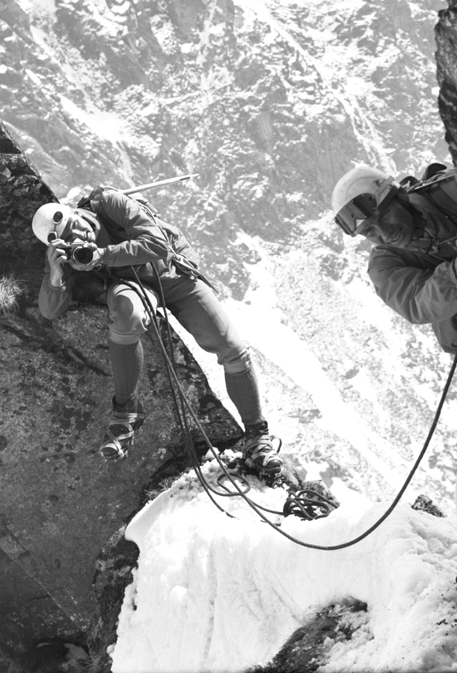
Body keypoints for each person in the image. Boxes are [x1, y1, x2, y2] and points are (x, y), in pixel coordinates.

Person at [331, 163, 457, 606]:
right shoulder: (385, 263)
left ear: (395, 196)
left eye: (381, 220)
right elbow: (417, 303)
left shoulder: (452, 192)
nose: (380, 235)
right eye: (370, 232)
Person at [32, 186, 282, 472]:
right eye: (68, 239)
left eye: (76, 228)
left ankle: (257, 436)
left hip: (173, 273)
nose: (78, 238)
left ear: (76, 213)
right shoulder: (67, 253)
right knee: (127, 314)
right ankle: (126, 412)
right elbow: (49, 310)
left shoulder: (109, 202)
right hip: (134, 286)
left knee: (233, 349)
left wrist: (102, 254)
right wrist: (56, 273)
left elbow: (157, 244)